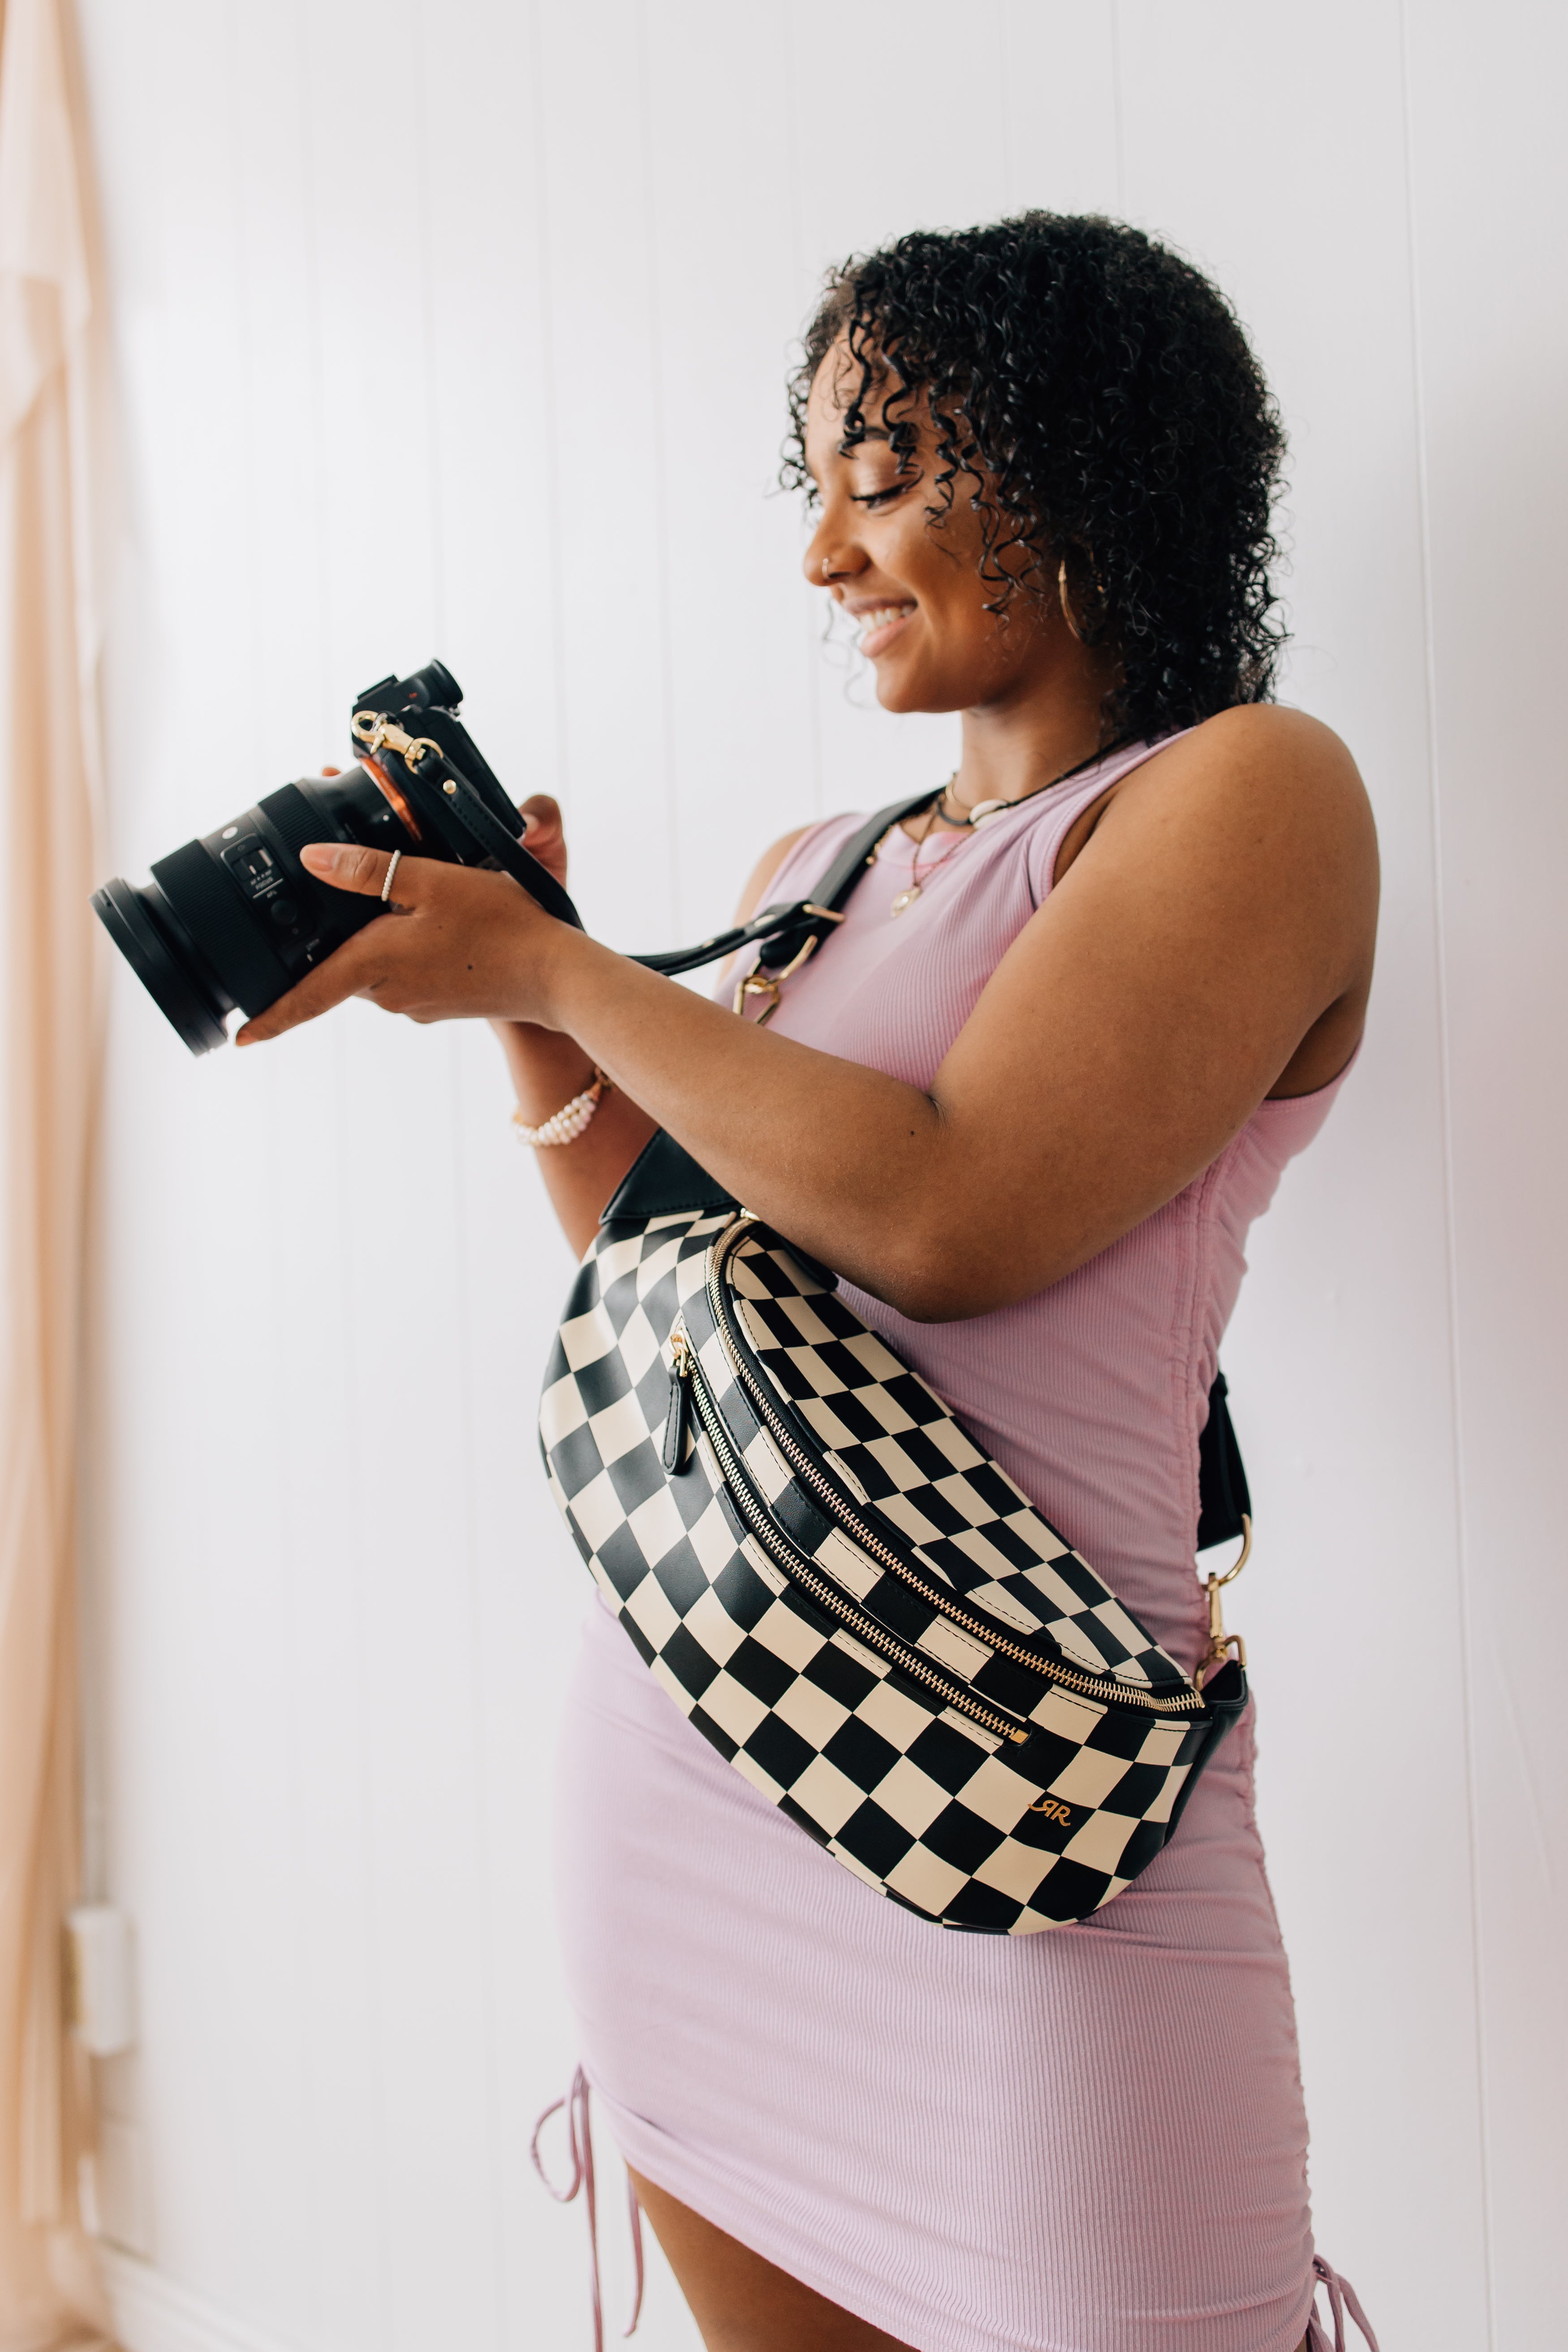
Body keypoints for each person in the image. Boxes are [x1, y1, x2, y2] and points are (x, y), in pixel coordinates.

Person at [240, 215, 1380, 2352]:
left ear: (1075, 469)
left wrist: (557, 965)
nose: (822, 553)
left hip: (1045, 1825)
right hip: (719, 1779)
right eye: (814, 485)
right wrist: (529, 1006)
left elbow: (954, 1219)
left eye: (884, 476)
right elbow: (696, 1305)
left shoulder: (1246, 792)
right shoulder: (815, 870)